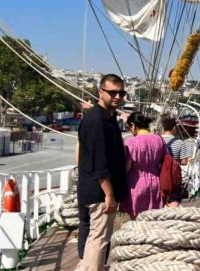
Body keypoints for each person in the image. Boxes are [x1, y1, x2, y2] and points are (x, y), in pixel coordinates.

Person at [76, 74, 128, 271]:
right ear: (100, 92)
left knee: (96, 237)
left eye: (121, 93)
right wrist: (109, 194)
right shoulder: (97, 121)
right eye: (112, 92)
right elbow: (99, 163)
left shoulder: (108, 118)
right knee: (99, 239)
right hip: (99, 191)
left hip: (97, 188)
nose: (117, 97)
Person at [119, 112, 164, 219]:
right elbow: (163, 160)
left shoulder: (131, 142)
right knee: (153, 218)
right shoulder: (159, 139)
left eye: (129, 127)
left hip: (136, 183)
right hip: (155, 182)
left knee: (136, 220)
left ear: (133, 125)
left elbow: (127, 167)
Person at [161, 116, 188, 207]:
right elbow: (184, 162)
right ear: (173, 128)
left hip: (159, 174)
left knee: (160, 198)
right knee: (174, 199)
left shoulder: (157, 140)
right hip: (173, 175)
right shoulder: (180, 142)